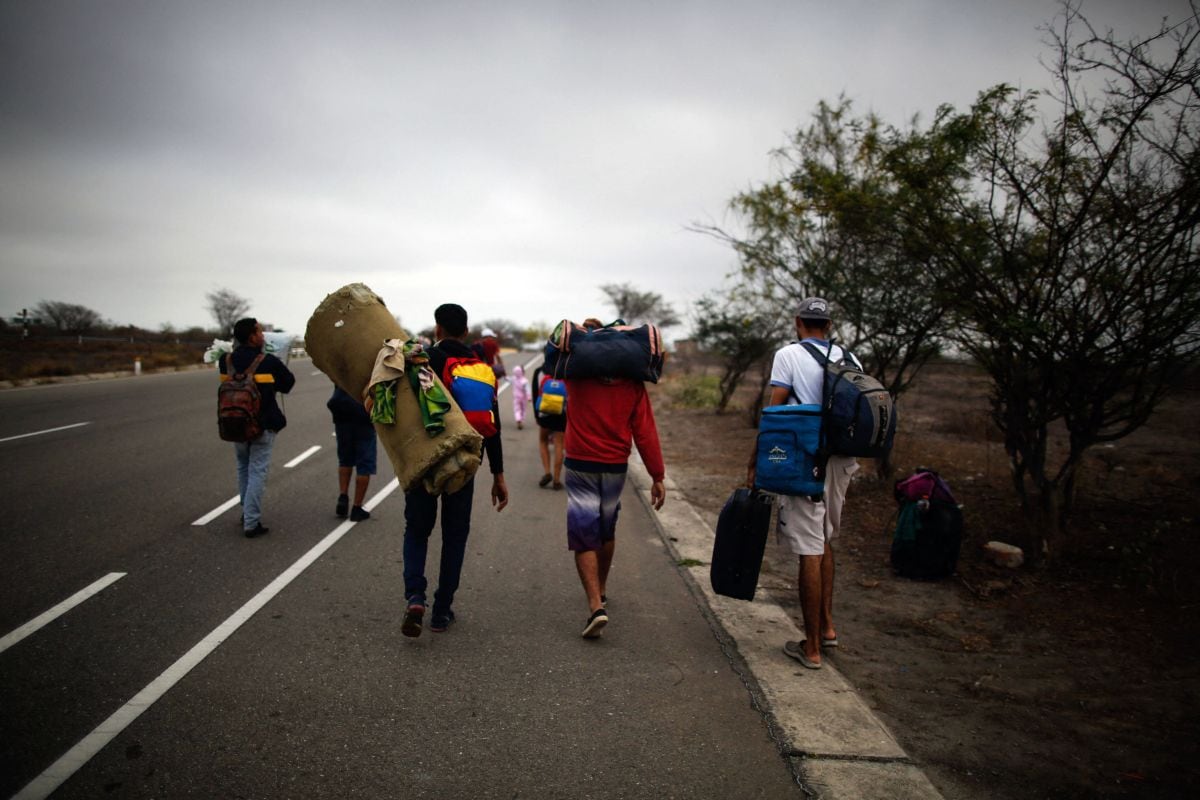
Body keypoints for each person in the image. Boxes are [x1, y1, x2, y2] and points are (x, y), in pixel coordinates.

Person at [747, 297, 859, 670]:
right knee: (824, 540)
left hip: (805, 460)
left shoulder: (788, 355)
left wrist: (756, 460)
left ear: (799, 322)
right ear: (828, 325)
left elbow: (776, 412)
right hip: (842, 461)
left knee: (809, 549)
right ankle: (827, 628)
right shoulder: (850, 357)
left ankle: (810, 648)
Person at [401, 303, 509, 637]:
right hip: (464, 463)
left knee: (417, 530)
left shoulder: (421, 361)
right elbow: (493, 425)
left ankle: (415, 597)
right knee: (455, 535)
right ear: (465, 332)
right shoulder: (480, 367)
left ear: (437, 329)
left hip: (424, 459)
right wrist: (498, 475)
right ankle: (442, 609)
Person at [563, 318, 666, 639]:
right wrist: (657, 475)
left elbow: (567, 347)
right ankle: (602, 589)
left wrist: (583, 332)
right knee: (606, 529)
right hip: (615, 465)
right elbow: (645, 432)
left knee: (584, 534)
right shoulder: (633, 385)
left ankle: (596, 605)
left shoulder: (576, 378)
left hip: (580, 462)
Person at [219, 317, 296, 538]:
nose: (263, 335)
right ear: (252, 337)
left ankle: (246, 512)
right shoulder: (268, 361)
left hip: (234, 423)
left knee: (243, 467)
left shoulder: (226, 360)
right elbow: (288, 384)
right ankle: (251, 522)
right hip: (262, 425)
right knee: (257, 471)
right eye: (260, 332)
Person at [327, 385, 376, 522]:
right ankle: (356, 507)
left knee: (345, 459)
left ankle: (343, 496)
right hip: (362, 412)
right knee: (365, 463)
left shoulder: (340, 362)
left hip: (341, 408)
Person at [531, 363, 567, 489]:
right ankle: (557, 480)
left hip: (545, 411)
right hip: (561, 412)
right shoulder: (567, 368)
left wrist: (537, 415)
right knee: (559, 444)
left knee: (543, 441)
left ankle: (547, 473)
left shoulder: (541, 370)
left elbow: (535, 393)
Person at [510, 363, 530, 430]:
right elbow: (527, 390)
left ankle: (518, 419)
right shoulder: (525, 381)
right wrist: (529, 397)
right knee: (523, 409)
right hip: (523, 398)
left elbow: (508, 379)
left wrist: (504, 375)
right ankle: (521, 420)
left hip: (516, 397)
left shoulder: (513, 379)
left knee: (517, 409)